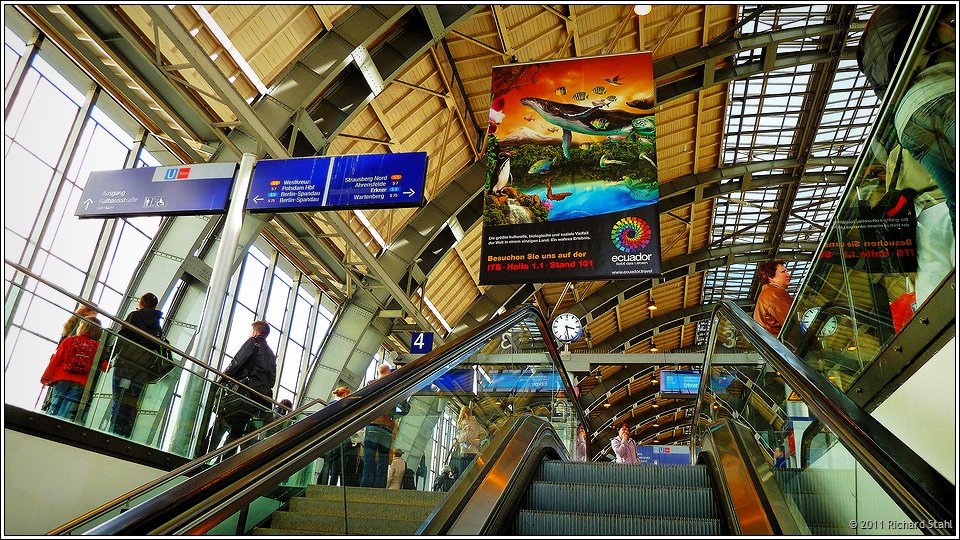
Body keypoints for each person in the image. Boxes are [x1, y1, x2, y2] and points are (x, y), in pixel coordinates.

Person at [209, 320, 278, 449]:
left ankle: (202, 458)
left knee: (219, 426)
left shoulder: (253, 342)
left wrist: (221, 380)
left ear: (256, 331)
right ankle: (225, 463)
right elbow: (272, 381)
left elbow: (236, 363)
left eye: (251, 331)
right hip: (256, 400)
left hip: (242, 394)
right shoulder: (271, 354)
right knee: (236, 433)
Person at [108, 292, 165, 437]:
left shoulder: (134, 316)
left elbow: (122, 337)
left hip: (126, 363)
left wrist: (109, 356)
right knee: (132, 402)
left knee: (118, 398)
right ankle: (126, 433)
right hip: (142, 369)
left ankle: (114, 431)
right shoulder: (157, 326)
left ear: (141, 303)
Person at [41, 317, 105, 420]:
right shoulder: (97, 346)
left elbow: (56, 359)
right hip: (80, 382)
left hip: (62, 377)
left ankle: (47, 423)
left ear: (82, 327)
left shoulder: (70, 340)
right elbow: (103, 366)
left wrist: (46, 377)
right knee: (66, 409)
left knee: (54, 405)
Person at [360, 363, 396, 488]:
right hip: (386, 429)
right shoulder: (394, 387)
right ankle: (379, 488)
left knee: (368, 459)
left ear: (378, 372)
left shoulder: (371, 385)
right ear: (389, 372)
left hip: (372, 425)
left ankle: (365, 487)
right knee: (383, 460)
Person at [753, 260, 793, 336]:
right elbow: (791, 321)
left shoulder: (766, 294)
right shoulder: (773, 294)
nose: (788, 274)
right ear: (771, 277)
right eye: (783, 272)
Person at [451, 403, 487, 479]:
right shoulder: (476, 423)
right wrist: (478, 440)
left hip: (465, 453)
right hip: (474, 452)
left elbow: (464, 438)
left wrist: (457, 439)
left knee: (464, 476)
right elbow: (484, 433)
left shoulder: (465, 423)